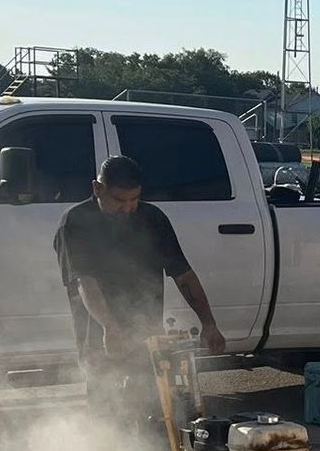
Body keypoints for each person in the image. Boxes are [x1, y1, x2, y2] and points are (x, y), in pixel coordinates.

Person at [54, 155, 226, 423]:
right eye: (119, 201)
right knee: (108, 416)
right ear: (97, 189)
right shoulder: (75, 223)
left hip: (148, 336)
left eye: (134, 199)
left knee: (154, 413)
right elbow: (84, 283)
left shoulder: (152, 218)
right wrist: (111, 327)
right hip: (100, 338)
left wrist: (209, 323)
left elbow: (184, 276)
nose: (128, 208)